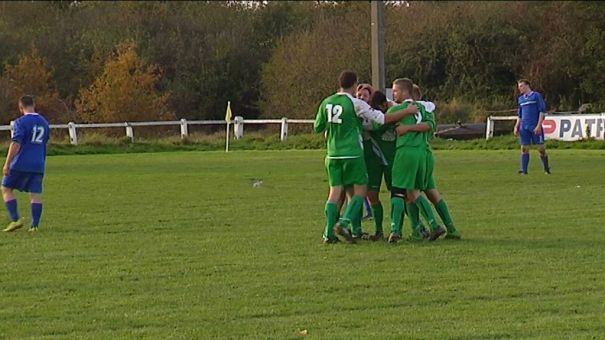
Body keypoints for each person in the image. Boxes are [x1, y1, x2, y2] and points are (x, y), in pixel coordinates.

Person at [314, 71, 418, 244]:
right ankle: (344, 222)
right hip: (352, 153)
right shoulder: (355, 103)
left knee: (335, 192)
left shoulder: (326, 102)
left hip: (332, 154)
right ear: (354, 84)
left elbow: (318, 127)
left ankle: (328, 233)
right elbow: (381, 119)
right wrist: (406, 111)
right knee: (361, 191)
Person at [387, 78, 446, 243]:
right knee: (413, 192)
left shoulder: (398, 109)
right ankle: (433, 225)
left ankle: (395, 230)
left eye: (395, 91)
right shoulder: (424, 108)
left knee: (398, 191)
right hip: (423, 153)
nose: (393, 94)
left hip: (405, 152)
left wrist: (404, 127)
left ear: (404, 91)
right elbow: (430, 125)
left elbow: (380, 122)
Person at [407, 84, 461, 240]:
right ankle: (451, 228)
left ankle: (426, 227)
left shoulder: (412, 110)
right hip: (427, 154)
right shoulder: (428, 110)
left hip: (415, 154)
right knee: (432, 192)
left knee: (410, 191)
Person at [2, 95, 50, 232]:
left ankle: (16, 219)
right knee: (35, 194)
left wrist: (7, 163)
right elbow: (45, 144)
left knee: (6, 188)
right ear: (34, 105)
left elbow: (16, 143)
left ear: (20, 107)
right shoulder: (44, 123)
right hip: (38, 164)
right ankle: (34, 226)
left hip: (21, 162)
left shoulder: (20, 122)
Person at [514, 79, 551, 175]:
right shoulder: (521, 99)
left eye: (521, 86)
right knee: (524, 148)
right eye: (519, 86)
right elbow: (520, 115)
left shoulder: (536, 96)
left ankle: (546, 168)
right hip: (524, 127)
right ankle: (524, 170)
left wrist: (539, 125)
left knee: (541, 149)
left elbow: (542, 111)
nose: (520, 88)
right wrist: (517, 126)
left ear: (527, 86)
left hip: (535, 126)